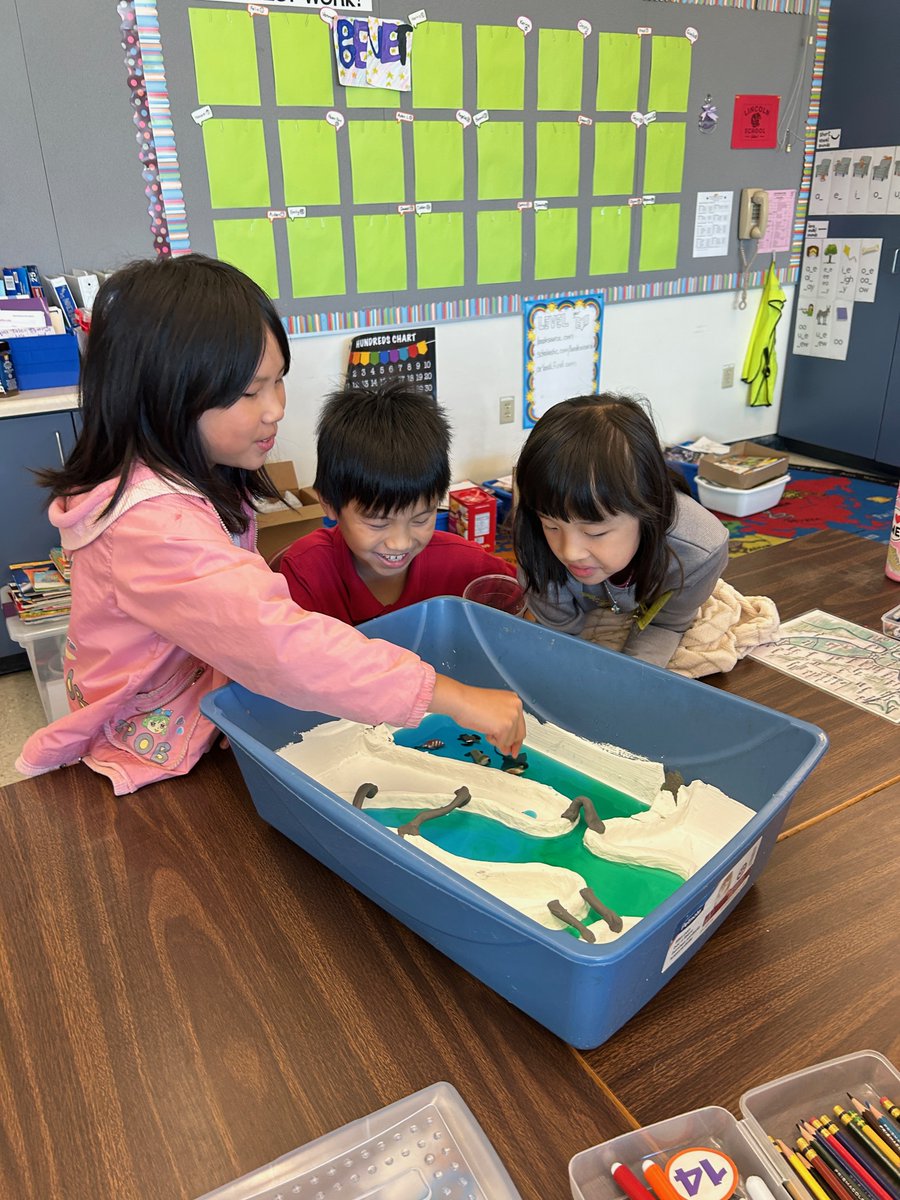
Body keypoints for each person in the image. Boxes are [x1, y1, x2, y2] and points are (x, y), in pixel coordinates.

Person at [16, 254, 524, 795]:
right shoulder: (152, 527)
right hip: (149, 756)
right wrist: (454, 697)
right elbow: (279, 645)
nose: (277, 408)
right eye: (249, 391)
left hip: (205, 714)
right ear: (165, 396)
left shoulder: (201, 478)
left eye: (278, 381)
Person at [513, 393, 729, 669]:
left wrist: (627, 678)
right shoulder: (533, 535)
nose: (569, 551)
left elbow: (668, 624)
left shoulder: (699, 551)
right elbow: (555, 630)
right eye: (551, 525)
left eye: (595, 532)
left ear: (646, 508)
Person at [277, 380, 517, 626]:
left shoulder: (465, 564)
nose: (400, 543)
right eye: (378, 523)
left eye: (421, 519)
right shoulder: (305, 572)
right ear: (329, 503)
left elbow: (526, 603)